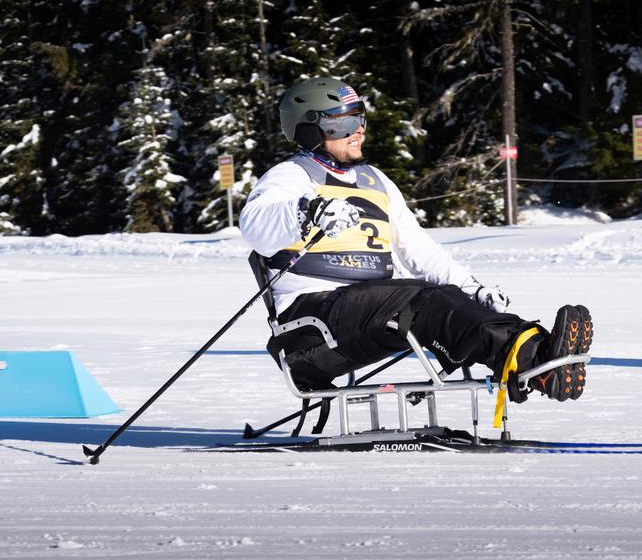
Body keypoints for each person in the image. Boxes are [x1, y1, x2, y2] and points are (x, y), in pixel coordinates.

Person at [239, 77, 592, 403]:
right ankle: (535, 359)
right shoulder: (292, 176)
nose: (358, 130)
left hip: (368, 312)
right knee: (417, 300)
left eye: (360, 119)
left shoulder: (374, 180)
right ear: (309, 129)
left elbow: (418, 250)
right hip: (311, 327)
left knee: (439, 297)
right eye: (343, 123)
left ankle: (537, 353)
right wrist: (306, 210)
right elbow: (254, 225)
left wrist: (472, 290)